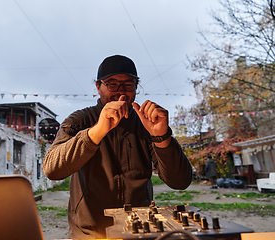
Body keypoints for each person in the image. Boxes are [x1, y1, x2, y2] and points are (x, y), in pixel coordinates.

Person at [43, 55, 192, 239]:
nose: (120, 91)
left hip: (139, 231)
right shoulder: (79, 120)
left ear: (136, 87)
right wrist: (96, 132)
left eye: (128, 85)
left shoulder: (146, 124)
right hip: (90, 234)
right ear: (98, 87)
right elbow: (51, 169)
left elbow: (180, 182)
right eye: (112, 84)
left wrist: (161, 136)